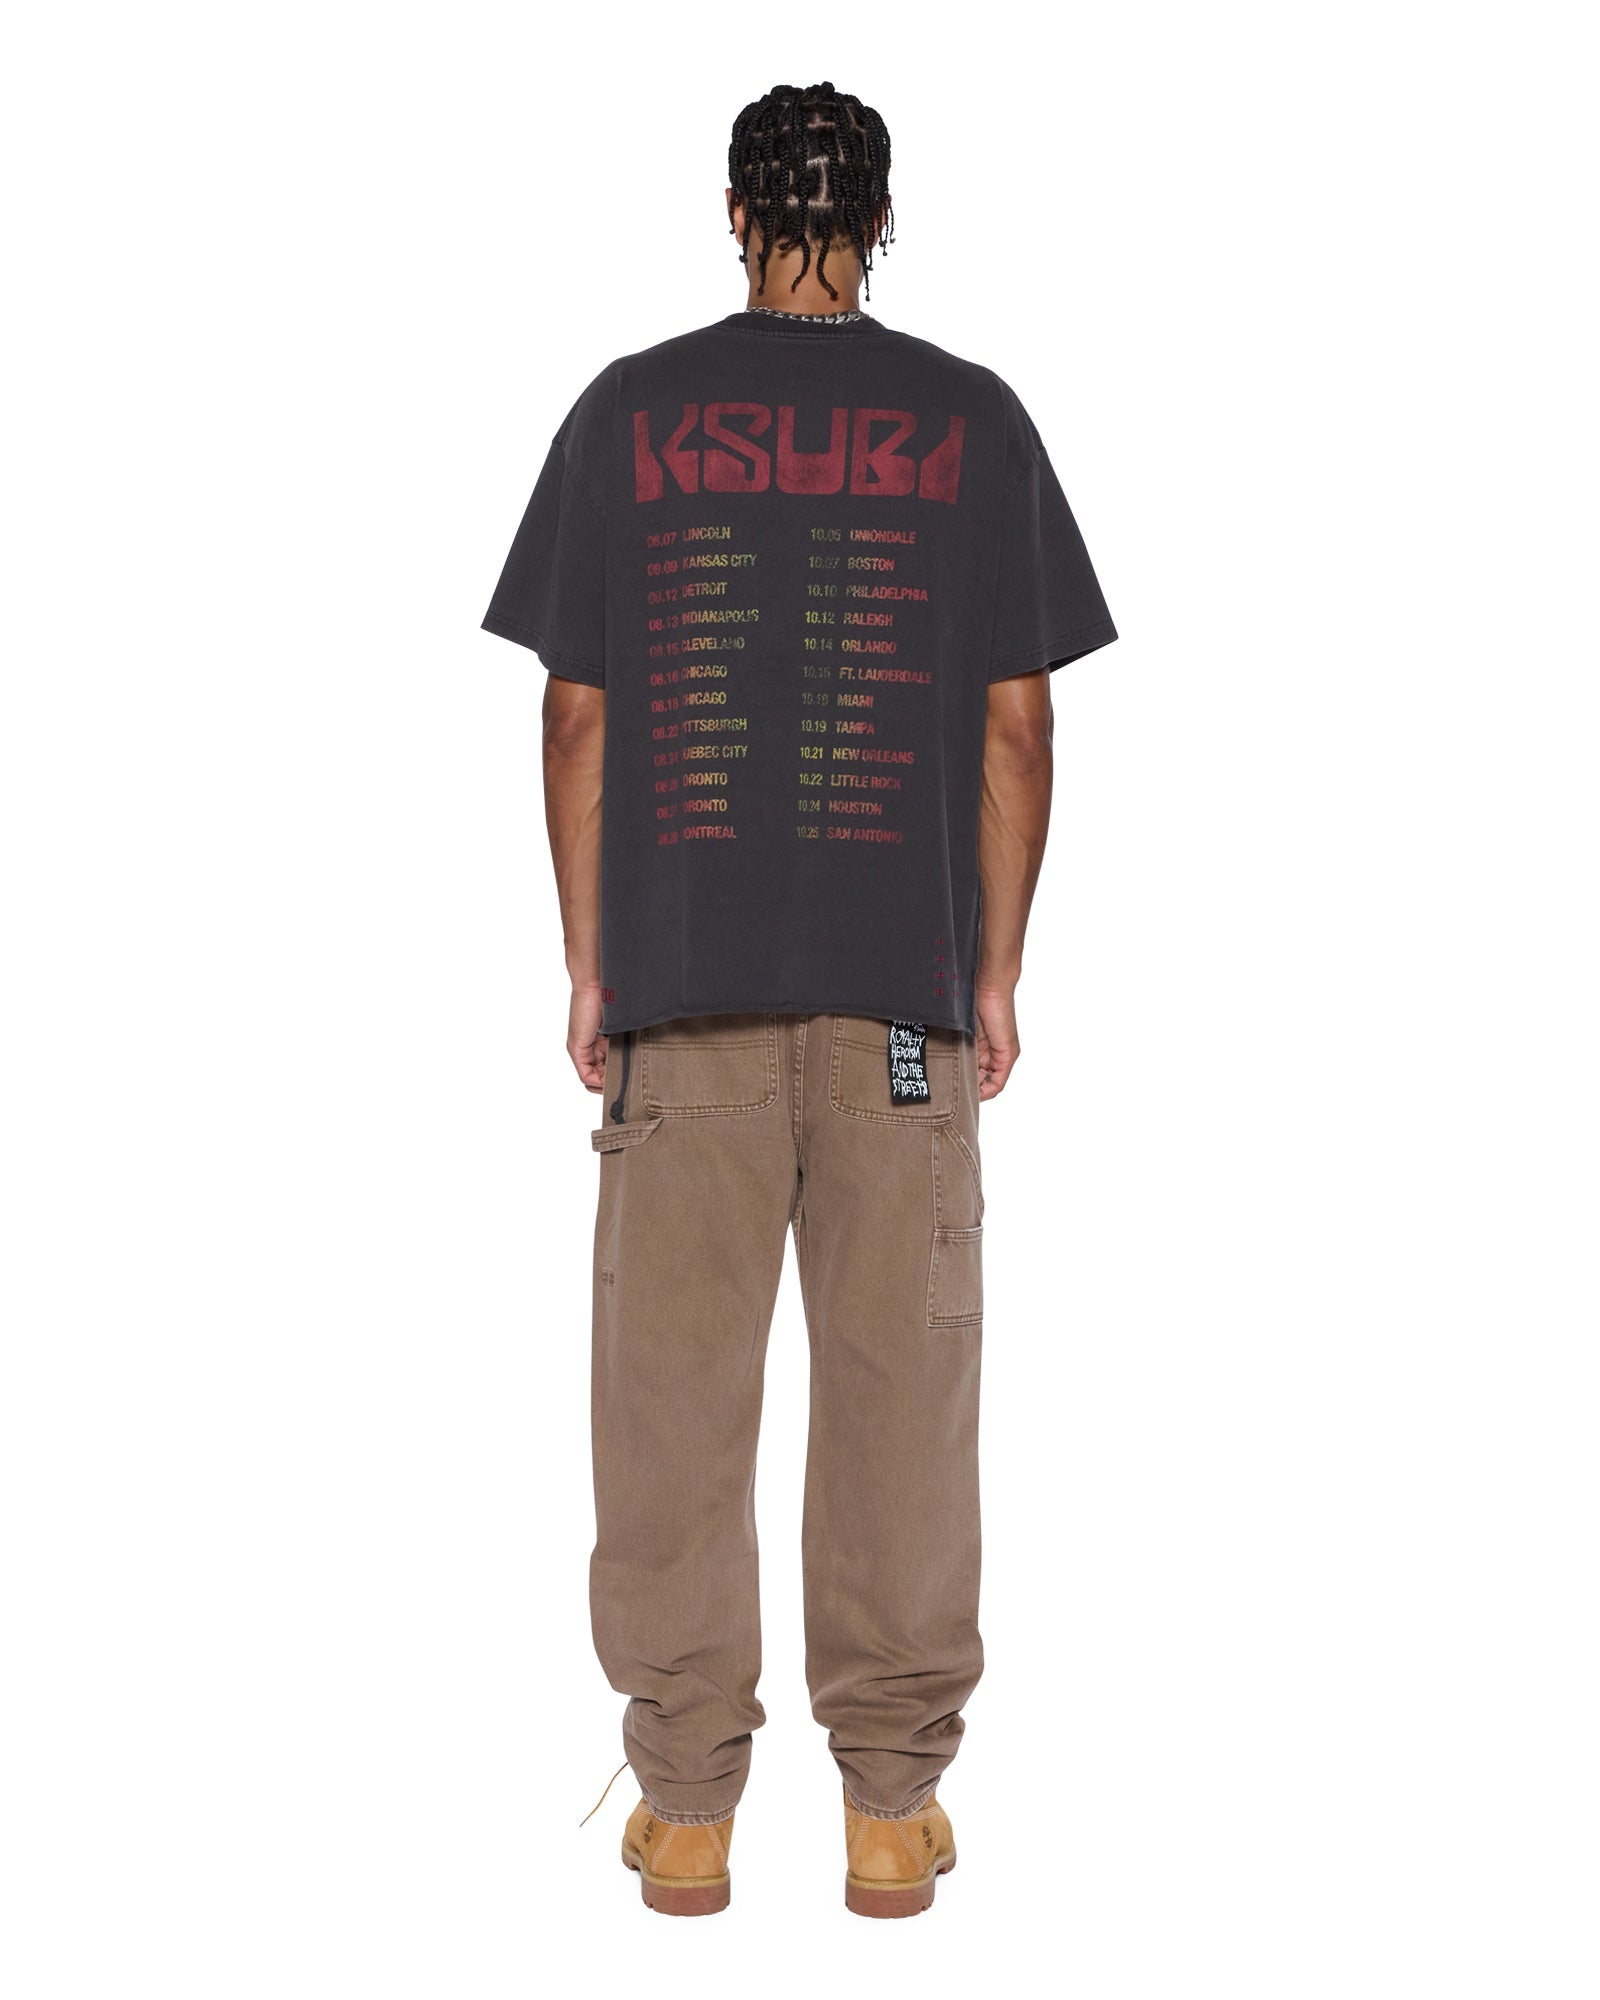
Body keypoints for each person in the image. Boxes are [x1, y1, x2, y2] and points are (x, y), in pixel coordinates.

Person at [482, 80, 1116, 1919]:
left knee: (667, 1408)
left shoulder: (631, 412)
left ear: (734, 212)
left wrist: (591, 958)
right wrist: (993, 969)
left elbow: (577, 711)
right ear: (884, 217)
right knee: (906, 1401)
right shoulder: (972, 421)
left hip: (683, 999)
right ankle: (888, 1813)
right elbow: (1018, 722)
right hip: (901, 1012)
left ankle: (688, 1811)